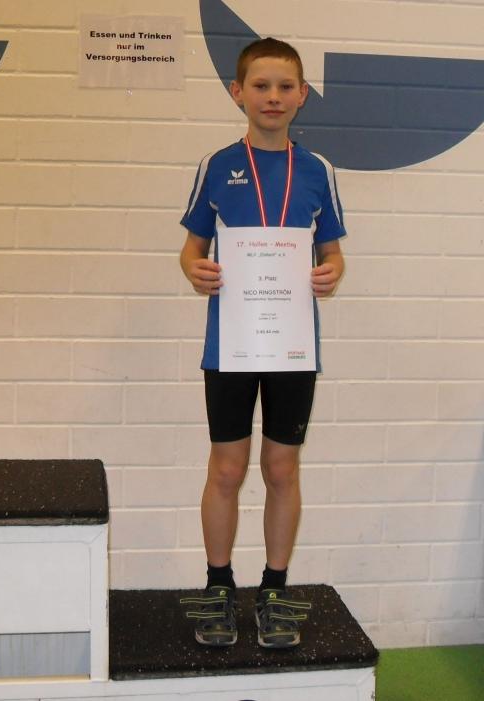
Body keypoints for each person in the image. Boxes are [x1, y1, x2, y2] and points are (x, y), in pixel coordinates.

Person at [178, 37, 345, 648]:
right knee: (226, 468)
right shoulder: (216, 164)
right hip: (231, 345)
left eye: (284, 87)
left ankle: (274, 588)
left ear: (302, 96)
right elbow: (191, 249)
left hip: (292, 346)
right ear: (237, 93)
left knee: (281, 467)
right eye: (260, 86)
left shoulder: (319, 170)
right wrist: (195, 271)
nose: (272, 97)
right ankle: (218, 585)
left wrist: (330, 273)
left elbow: (332, 253)